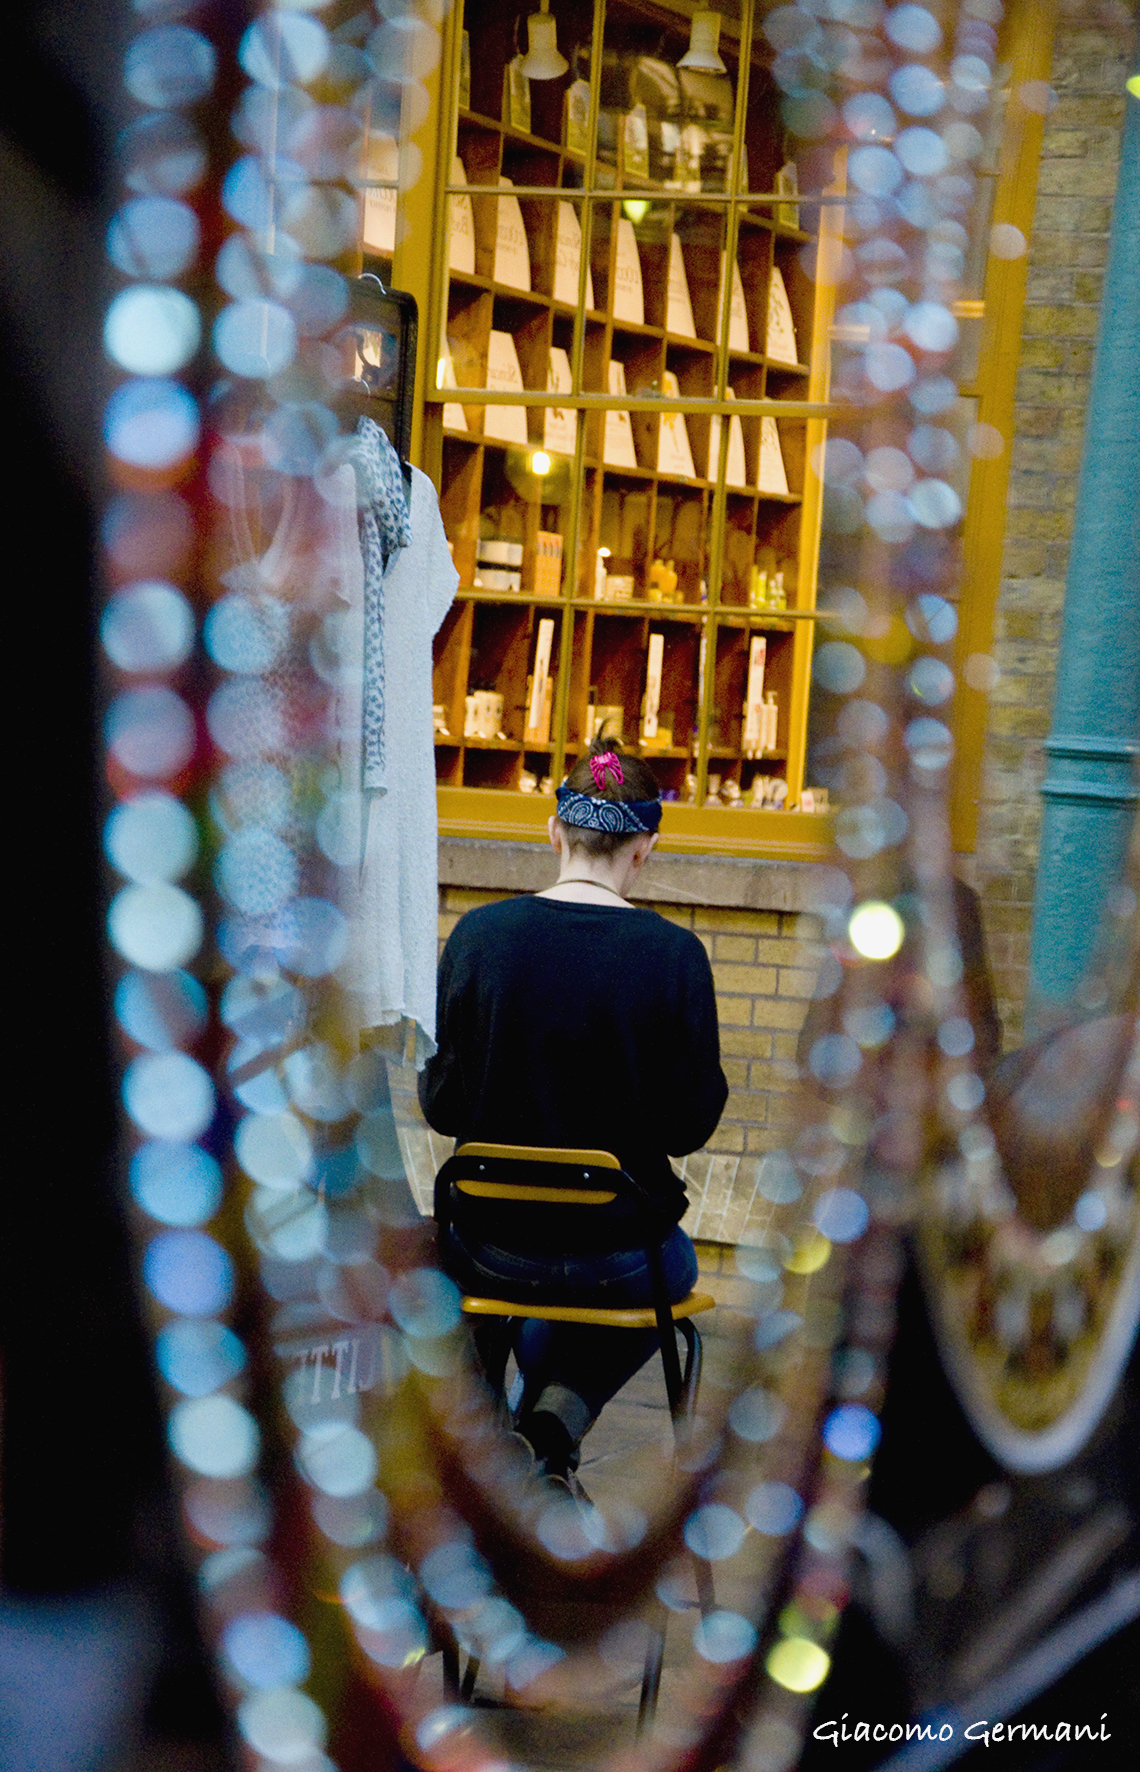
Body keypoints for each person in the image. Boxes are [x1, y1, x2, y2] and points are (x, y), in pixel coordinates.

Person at [419, 737, 728, 1483]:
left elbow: (443, 1103)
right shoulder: (675, 957)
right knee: (672, 1267)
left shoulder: (477, 938)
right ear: (645, 847)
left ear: (553, 830)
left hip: (486, 1245)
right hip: (619, 1258)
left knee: (466, 1282)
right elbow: (689, 1126)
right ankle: (549, 1431)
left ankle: (495, 1451)